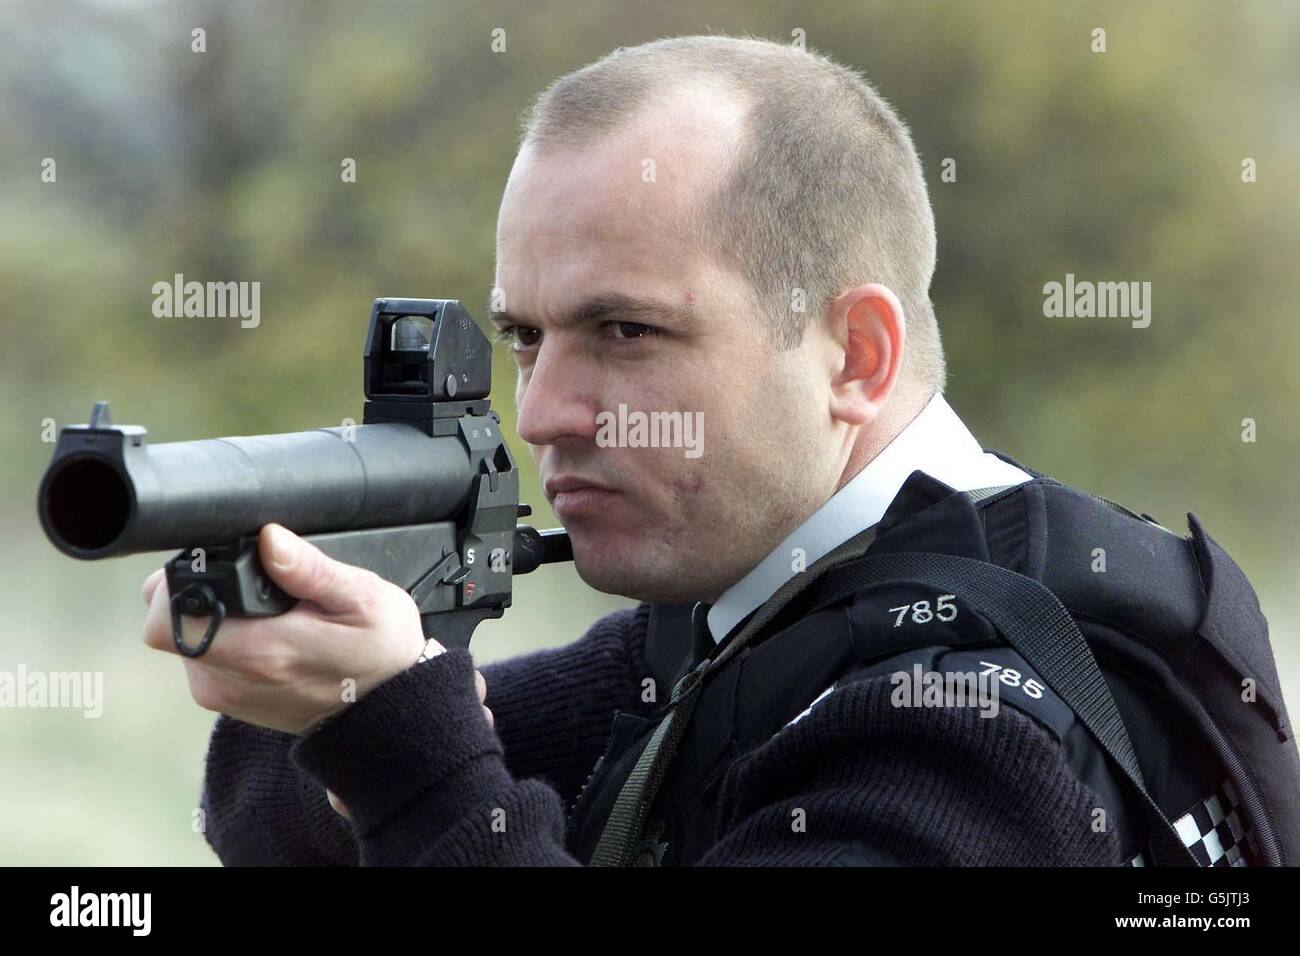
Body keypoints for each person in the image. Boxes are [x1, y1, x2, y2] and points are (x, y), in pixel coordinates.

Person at [141, 35, 1278, 867]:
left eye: (627, 332)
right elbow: (286, 822)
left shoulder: (971, 724)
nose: (541, 411)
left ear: (855, 357)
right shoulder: (753, 609)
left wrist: (397, 738)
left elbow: (429, 776)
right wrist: (327, 671)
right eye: (527, 336)